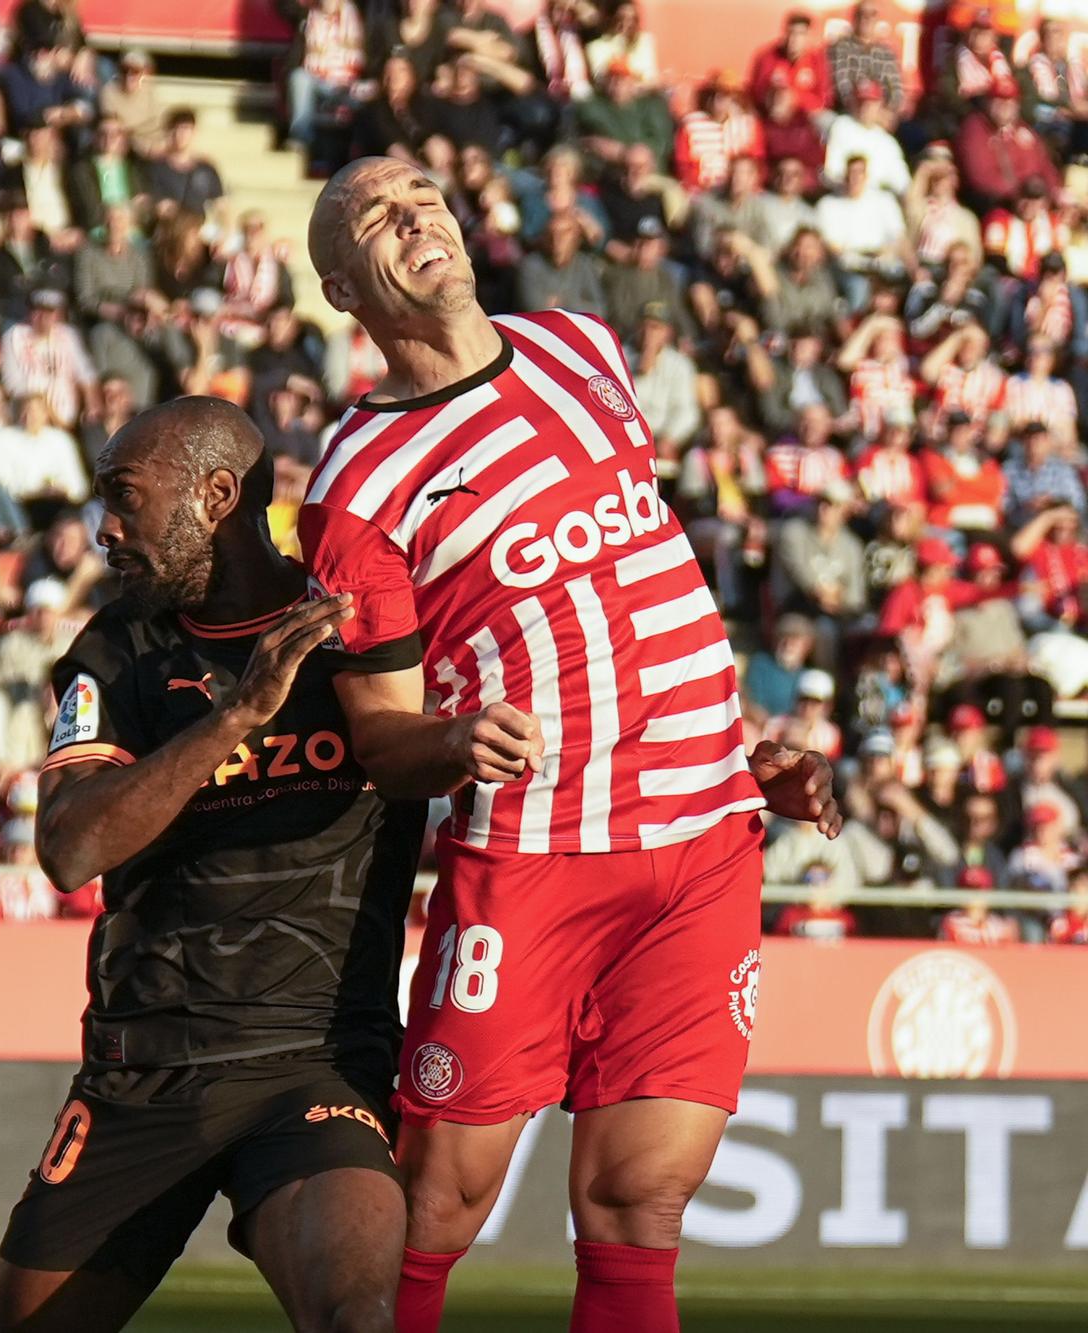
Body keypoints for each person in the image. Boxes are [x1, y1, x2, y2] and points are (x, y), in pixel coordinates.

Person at [302, 155, 840, 1333]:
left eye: (421, 197)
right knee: (433, 1201)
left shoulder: (578, 347)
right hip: (536, 858)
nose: (414, 220)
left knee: (642, 1202)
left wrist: (739, 751)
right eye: (373, 221)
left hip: (703, 841)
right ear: (344, 291)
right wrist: (453, 739)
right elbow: (382, 742)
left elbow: (627, 587)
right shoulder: (356, 484)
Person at [0, 396, 443, 1332]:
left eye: (126, 498)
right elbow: (70, 848)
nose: (104, 528)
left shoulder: (358, 628)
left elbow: (503, 726)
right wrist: (234, 718)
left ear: (217, 495)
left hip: (313, 1066)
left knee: (356, 1318)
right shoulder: (113, 653)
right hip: (142, 1070)